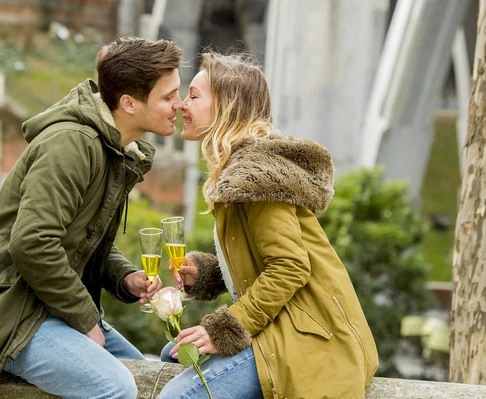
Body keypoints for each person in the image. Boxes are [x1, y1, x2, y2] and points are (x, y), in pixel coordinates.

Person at [0, 36, 184, 399]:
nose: (178, 104)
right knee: (115, 388)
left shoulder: (114, 148)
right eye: (168, 96)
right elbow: (33, 244)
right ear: (129, 103)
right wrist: (86, 320)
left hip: (46, 305)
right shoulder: (70, 146)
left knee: (158, 381)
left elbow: (80, 239)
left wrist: (125, 277)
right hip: (6, 314)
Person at [158, 52, 379, 399]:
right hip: (280, 327)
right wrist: (205, 274)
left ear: (227, 107)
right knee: (170, 356)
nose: (183, 105)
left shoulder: (256, 176)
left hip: (308, 341)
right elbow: (263, 260)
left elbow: (290, 266)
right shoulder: (241, 170)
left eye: (194, 96)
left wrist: (223, 330)